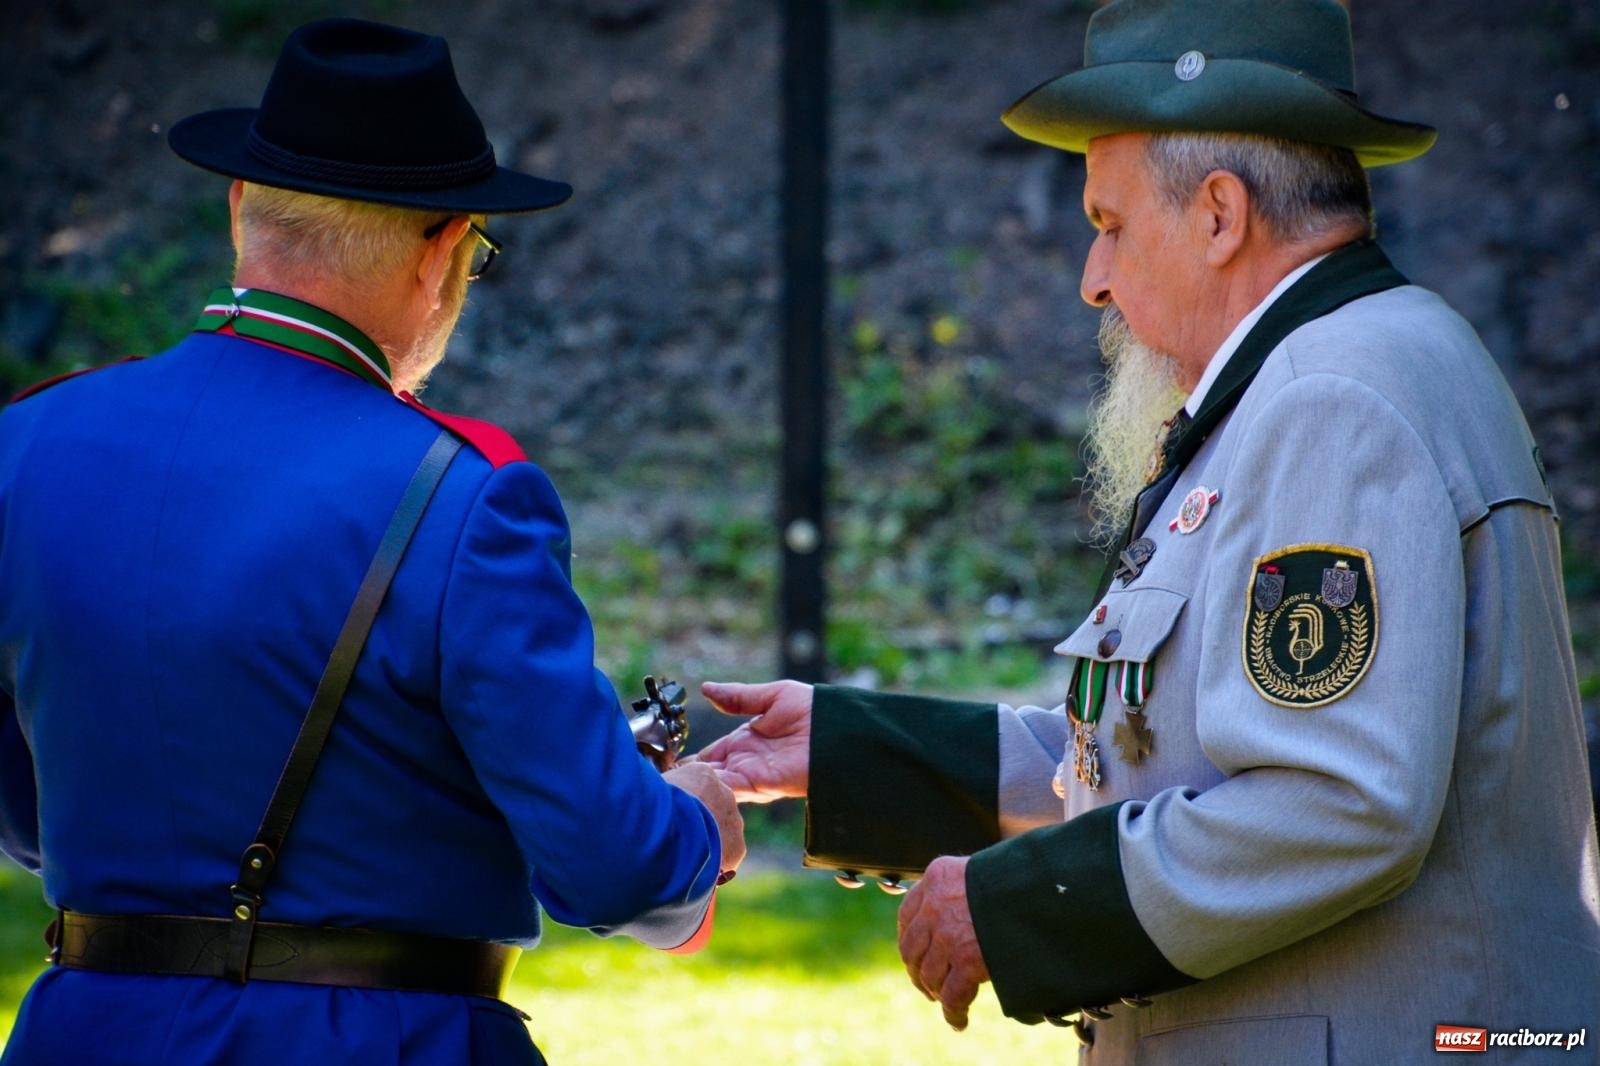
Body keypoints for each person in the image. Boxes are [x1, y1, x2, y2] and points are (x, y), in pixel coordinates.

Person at [695, 1, 1600, 1061]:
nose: (1092, 277)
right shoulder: (1333, 371)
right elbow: (1154, 756)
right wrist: (851, 755)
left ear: (1219, 214)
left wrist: (1019, 909)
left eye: (1110, 223)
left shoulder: (1333, 397)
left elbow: (1335, 802)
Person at [0, 18, 742, 1066]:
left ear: (237, 212)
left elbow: (30, 817)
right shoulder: (465, 495)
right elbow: (618, 871)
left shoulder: (22, 446)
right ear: (442, 250)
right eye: (474, 254)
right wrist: (698, 819)